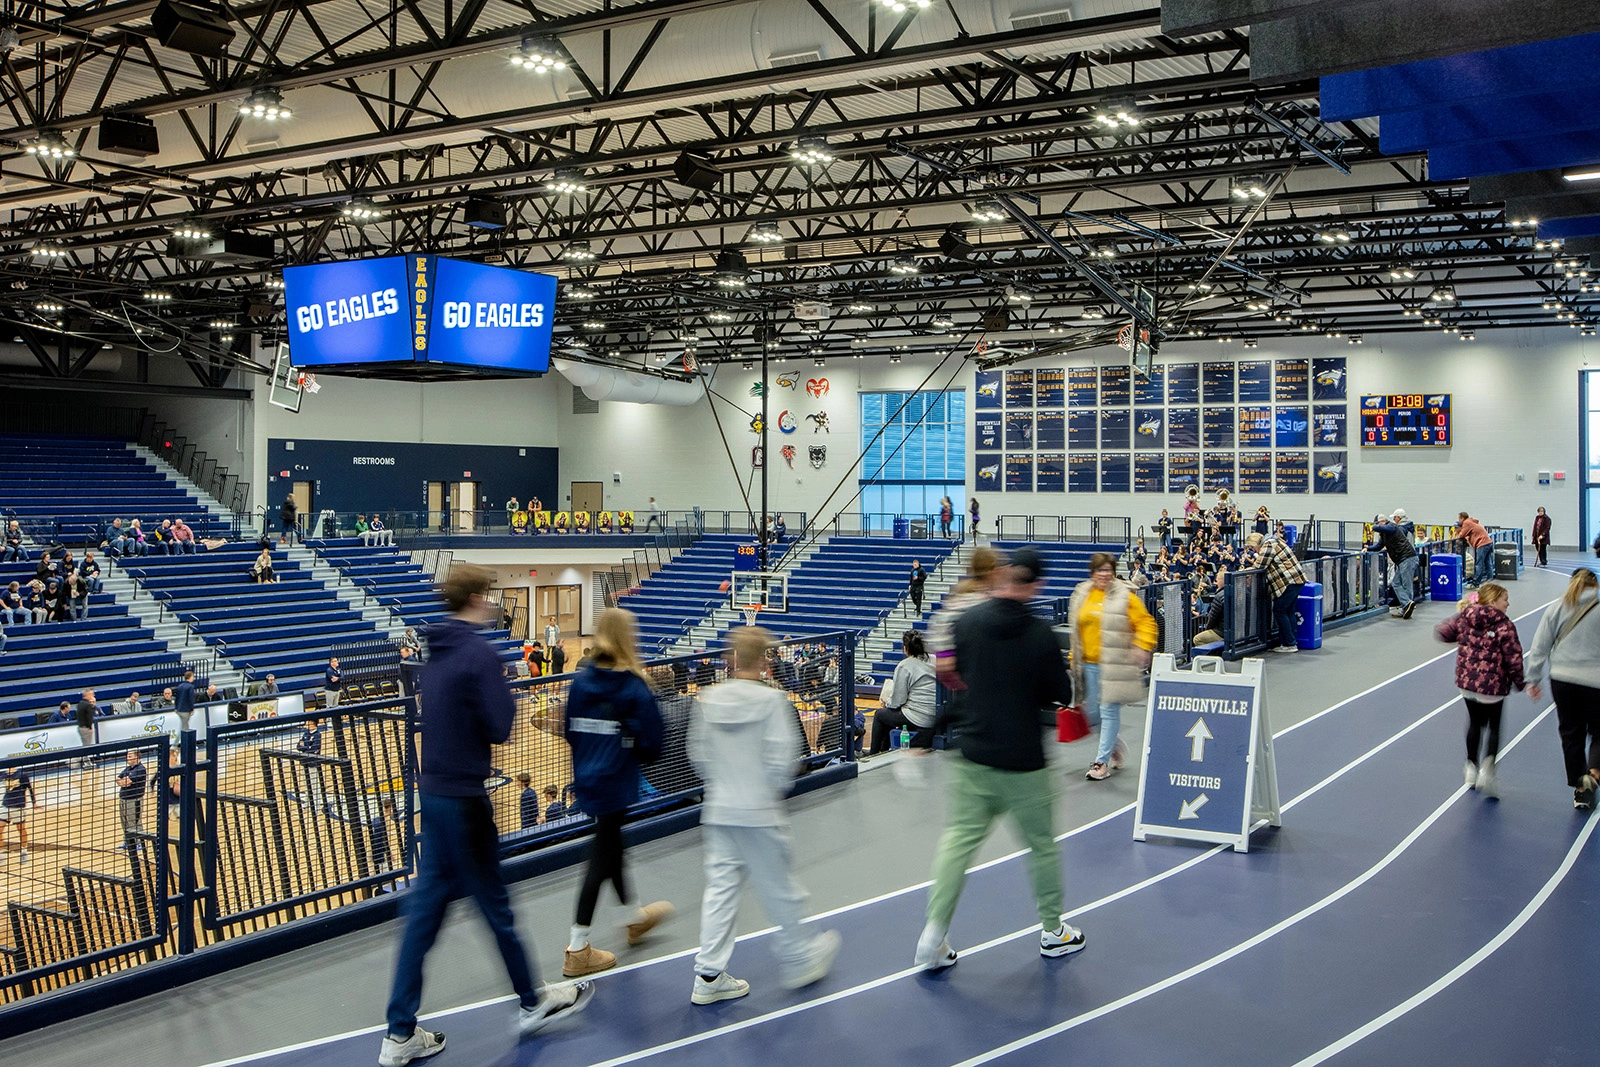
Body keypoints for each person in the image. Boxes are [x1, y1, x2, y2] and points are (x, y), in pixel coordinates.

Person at [379, 564, 593, 1067]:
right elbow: (500, 728)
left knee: (423, 917)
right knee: (496, 906)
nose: (494, 603)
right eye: (490, 595)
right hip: (464, 801)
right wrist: (509, 696)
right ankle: (533, 1000)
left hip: (432, 796)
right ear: (477, 597)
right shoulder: (479, 653)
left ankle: (398, 1032)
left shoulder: (435, 654)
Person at [915, 548, 1080, 972]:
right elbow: (1060, 692)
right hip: (1024, 761)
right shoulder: (1041, 634)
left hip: (974, 755)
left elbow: (957, 681)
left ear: (1005, 576)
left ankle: (933, 935)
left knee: (957, 843)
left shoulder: (967, 623)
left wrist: (933, 727)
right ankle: (1052, 931)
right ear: (1036, 585)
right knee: (1041, 847)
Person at [689, 625, 841, 1004]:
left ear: (730, 659)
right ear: (763, 660)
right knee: (781, 890)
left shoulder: (709, 699)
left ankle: (708, 975)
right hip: (758, 810)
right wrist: (762, 790)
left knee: (720, 891)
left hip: (720, 810)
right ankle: (799, 958)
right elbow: (784, 759)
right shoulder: (772, 702)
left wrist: (725, 784)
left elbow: (699, 755)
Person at [561, 607, 671, 978]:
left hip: (588, 775)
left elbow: (570, 731)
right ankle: (577, 948)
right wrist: (629, 737)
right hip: (616, 780)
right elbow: (653, 747)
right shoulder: (633, 687)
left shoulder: (579, 682)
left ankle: (633, 917)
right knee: (602, 854)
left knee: (612, 845)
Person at [1069, 553, 1158, 781]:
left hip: (1114, 663)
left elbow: (1146, 622)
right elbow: (1076, 629)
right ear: (1092, 572)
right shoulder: (1082, 593)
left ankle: (1101, 763)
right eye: (1100, 570)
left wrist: (1142, 646)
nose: (1104, 574)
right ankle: (1115, 744)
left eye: (1108, 570)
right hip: (1087, 663)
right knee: (1091, 714)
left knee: (1108, 711)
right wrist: (1074, 655)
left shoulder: (1124, 596)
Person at [1435, 582, 1524, 799]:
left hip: (1466, 683)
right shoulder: (1504, 625)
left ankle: (1470, 768)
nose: (1508, 603)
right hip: (1492, 686)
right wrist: (1520, 681)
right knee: (1493, 726)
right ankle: (1488, 769)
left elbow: (1443, 632)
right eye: (1505, 599)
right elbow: (1514, 658)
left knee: (1475, 722)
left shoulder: (1466, 616)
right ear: (1493, 601)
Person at [1525, 568, 1600, 810]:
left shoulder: (1556, 607)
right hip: (1596, 681)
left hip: (1563, 680)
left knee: (1571, 734)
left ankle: (1580, 790)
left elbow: (1539, 646)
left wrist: (1533, 679)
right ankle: (1595, 775)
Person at [869, 630, 937, 756]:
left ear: (905, 649)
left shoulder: (904, 666)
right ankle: (883, 751)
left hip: (918, 717)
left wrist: (887, 702)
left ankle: (873, 753)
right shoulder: (934, 660)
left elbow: (898, 701)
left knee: (880, 715)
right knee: (889, 716)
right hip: (936, 715)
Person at [1250, 531, 1306, 654]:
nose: (1254, 550)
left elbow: (1259, 566)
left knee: (1279, 611)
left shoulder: (1268, 544)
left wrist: (1247, 569)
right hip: (1297, 580)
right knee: (1289, 610)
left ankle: (1290, 643)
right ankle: (1291, 642)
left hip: (1289, 581)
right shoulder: (1275, 541)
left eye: (1253, 547)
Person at [1371, 509, 1419, 619]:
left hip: (1407, 558)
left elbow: (1386, 528)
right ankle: (1407, 604)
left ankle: (1407, 605)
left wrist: (1374, 527)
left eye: (1378, 524)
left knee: (1406, 584)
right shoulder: (1384, 535)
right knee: (1396, 583)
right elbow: (1378, 546)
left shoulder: (1391, 527)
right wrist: (1367, 549)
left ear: (1382, 522)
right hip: (1403, 560)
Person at [1, 766, 37, 862]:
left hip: (18, 806)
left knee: (21, 829)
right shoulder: (3, 774)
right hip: (6, 805)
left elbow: (30, 788)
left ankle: (24, 852)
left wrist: (34, 803)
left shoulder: (22, 775)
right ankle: (1, 854)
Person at [116, 749, 147, 852]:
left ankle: (139, 844)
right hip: (123, 799)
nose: (127, 758)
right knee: (124, 822)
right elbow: (118, 779)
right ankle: (128, 842)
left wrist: (125, 781)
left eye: (130, 756)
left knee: (134, 821)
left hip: (134, 801)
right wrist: (124, 782)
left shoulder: (140, 769)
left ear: (137, 757)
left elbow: (126, 782)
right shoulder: (128, 769)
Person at [1455, 511, 1494, 587]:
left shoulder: (1466, 523)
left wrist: (1460, 535)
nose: (1459, 521)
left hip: (1482, 544)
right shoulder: (1472, 522)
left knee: (1479, 563)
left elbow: (1461, 535)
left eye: (1459, 519)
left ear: (1462, 518)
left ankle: (1476, 583)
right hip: (1488, 542)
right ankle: (1490, 581)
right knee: (1487, 562)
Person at [75, 688, 98, 759]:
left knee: (84, 745)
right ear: (87, 695)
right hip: (86, 728)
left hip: (80, 727)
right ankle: (83, 761)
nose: (93, 695)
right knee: (86, 746)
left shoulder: (80, 704)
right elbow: (89, 717)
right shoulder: (88, 705)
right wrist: (90, 727)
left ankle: (84, 760)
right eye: (91, 694)